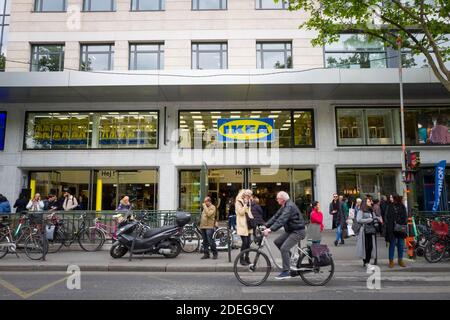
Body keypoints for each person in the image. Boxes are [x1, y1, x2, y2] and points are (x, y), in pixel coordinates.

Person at [263, 191, 306, 280]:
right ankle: (289, 261)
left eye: (278, 198)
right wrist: (266, 225)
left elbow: (282, 220)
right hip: (291, 230)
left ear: (282, 199)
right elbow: (276, 216)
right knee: (277, 242)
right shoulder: (284, 206)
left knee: (284, 248)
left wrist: (270, 229)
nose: (277, 200)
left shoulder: (289, 206)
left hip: (298, 231)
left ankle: (286, 271)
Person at [385, 195, 408, 268]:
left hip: (400, 228)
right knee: (392, 244)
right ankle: (391, 261)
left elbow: (405, 216)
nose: (391, 199)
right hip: (392, 228)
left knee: (401, 245)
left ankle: (400, 260)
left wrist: (400, 222)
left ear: (396, 199)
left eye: (392, 197)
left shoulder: (402, 206)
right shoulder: (389, 206)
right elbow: (386, 217)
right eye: (390, 197)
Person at [356, 198, 378, 269]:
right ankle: (366, 262)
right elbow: (358, 219)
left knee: (370, 247)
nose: (370, 202)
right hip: (364, 231)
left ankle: (367, 262)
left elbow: (374, 218)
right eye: (368, 201)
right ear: (365, 202)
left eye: (370, 201)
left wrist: (376, 219)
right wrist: (369, 220)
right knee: (365, 247)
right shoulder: (361, 210)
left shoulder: (371, 210)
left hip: (371, 230)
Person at [235, 189, 254, 266]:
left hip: (248, 224)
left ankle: (247, 258)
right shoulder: (238, 202)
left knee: (248, 243)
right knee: (245, 242)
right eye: (248, 195)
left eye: (250, 196)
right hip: (242, 224)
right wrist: (245, 204)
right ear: (244, 195)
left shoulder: (248, 201)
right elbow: (241, 212)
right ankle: (241, 259)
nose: (249, 197)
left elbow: (249, 212)